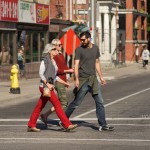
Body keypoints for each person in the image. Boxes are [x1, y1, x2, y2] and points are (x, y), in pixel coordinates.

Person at [65, 31, 114, 131]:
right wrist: (76, 79)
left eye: (84, 39)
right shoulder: (79, 50)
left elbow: (97, 63)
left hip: (93, 79)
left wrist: (101, 77)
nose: (82, 41)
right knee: (76, 103)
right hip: (83, 80)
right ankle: (64, 119)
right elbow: (76, 65)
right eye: (81, 39)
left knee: (100, 102)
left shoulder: (95, 48)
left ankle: (103, 125)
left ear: (89, 38)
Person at [27, 43, 77, 132]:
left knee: (39, 106)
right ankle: (67, 124)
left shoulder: (54, 62)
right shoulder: (45, 61)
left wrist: (64, 82)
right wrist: (48, 84)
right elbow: (41, 74)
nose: (56, 50)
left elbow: (55, 76)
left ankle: (31, 124)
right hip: (45, 87)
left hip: (49, 87)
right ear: (50, 51)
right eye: (54, 49)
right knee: (57, 104)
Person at [40, 39, 74, 126]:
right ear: (54, 46)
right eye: (59, 45)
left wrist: (70, 71)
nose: (60, 46)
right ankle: (63, 121)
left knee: (59, 102)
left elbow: (64, 66)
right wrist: (67, 71)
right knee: (63, 103)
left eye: (61, 45)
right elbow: (56, 71)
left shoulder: (61, 55)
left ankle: (45, 115)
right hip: (58, 81)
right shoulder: (54, 56)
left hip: (62, 80)